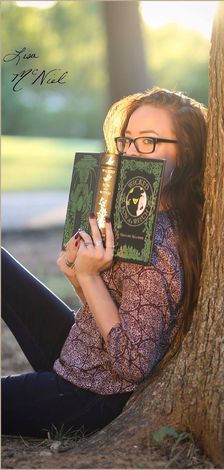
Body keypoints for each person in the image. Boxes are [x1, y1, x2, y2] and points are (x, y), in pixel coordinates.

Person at [1, 87, 207, 438]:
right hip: (83, 353)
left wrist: (91, 278)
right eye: (126, 140)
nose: (129, 152)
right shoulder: (142, 215)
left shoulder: (159, 244)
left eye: (147, 142)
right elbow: (121, 316)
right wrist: (79, 277)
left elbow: (131, 364)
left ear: (185, 153)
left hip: (90, 396)